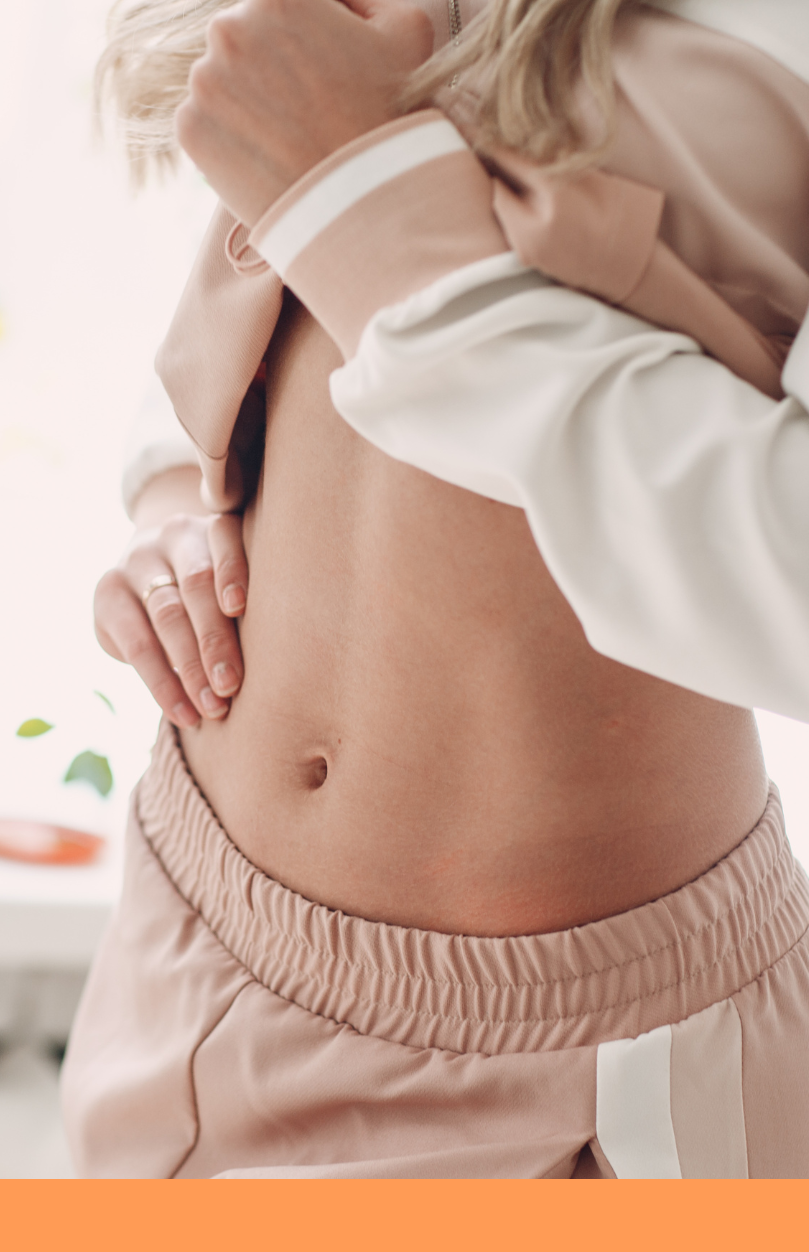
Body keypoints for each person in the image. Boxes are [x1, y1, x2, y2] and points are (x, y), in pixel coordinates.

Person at [60, 0, 809, 1178]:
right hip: (186, 925)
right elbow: (265, 241)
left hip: (578, 1064)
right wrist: (172, 501)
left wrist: (379, 223)